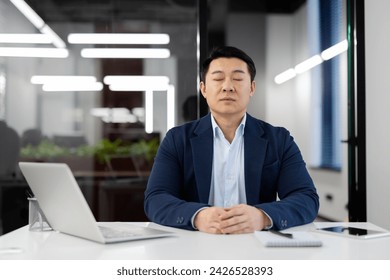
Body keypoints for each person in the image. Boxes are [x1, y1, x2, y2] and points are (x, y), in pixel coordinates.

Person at [144, 46, 319, 234]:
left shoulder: (279, 139)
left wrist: (262, 216)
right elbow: (156, 198)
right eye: (218, 78)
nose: (228, 86)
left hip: (256, 244)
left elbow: (306, 198)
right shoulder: (177, 140)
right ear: (203, 88)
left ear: (252, 88)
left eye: (237, 78)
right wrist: (198, 216)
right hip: (195, 243)